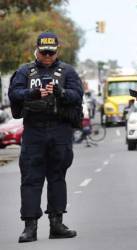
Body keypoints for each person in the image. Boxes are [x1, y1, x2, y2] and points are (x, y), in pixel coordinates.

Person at [8, 32, 83, 243]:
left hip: (60, 129)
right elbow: (14, 94)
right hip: (34, 129)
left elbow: (78, 95)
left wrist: (61, 92)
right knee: (31, 178)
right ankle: (29, 227)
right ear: (37, 50)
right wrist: (33, 93)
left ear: (57, 50)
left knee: (57, 176)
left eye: (51, 52)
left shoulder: (67, 71)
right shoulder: (25, 71)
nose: (48, 56)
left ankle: (56, 224)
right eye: (44, 52)